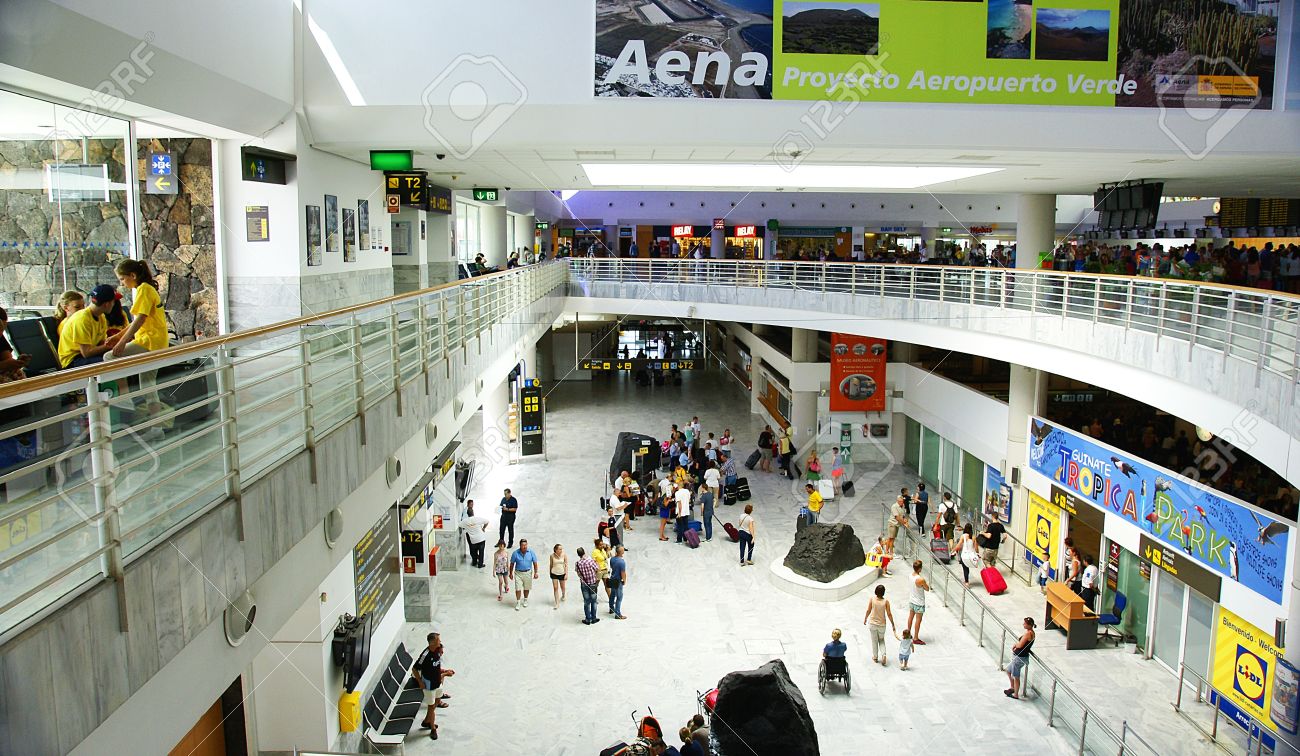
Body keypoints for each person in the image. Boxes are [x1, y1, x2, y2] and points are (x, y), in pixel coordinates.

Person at [57, 284, 121, 368]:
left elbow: (101, 343)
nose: (114, 305)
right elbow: (86, 353)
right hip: (73, 360)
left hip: (87, 355)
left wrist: (117, 342)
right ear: (107, 304)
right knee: (113, 361)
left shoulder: (101, 316)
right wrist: (111, 345)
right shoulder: (82, 319)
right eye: (113, 302)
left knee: (122, 356)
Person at [414, 632, 455, 739]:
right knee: (431, 707)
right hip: (428, 685)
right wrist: (420, 681)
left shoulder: (437, 651)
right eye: (438, 640)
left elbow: (436, 667)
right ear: (432, 642)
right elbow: (414, 668)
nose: (440, 642)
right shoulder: (425, 655)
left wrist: (445, 671)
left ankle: (427, 721)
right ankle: (432, 728)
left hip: (437, 682)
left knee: (436, 702)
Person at [863, 584, 897, 666]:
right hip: (882, 625)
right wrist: (892, 624)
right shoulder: (886, 602)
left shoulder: (872, 599)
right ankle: (884, 655)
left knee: (874, 641)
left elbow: (868, 610)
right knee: (881, 640)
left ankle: (875, 657)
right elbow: (889, 614)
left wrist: (865, 618)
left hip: (873, 624)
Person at [1005, 617, 1037, 699]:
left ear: (1029, 625)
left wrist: (1015, 644)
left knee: (1016, 676)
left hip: (1019, 658)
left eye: (1025, 623)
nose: (1023, 624)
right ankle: (1012, 687)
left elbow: (1020, 645)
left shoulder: (1028, 634)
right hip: (1020, 656)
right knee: (1008, 670)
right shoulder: (1031, 633)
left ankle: (1015, 694)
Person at [0, 309, 32, 383]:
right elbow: (6, 363)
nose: (1, 334)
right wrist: (4, 365)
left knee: (19, 374)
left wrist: (17, 362)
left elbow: (8, 359)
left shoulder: (1, 338)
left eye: (3, 329)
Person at [508, 538, 539, 610]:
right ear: (520, 546)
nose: (524, 546)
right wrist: (510, 573)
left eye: (525, 545)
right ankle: (518, 602)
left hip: (528, 572)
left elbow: (535, 563)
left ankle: (525, 600)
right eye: (523, 545)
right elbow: (512, 564)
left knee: (526, 587)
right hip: (518, 573)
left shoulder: (531, 552)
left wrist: (536, 572)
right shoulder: (515, 553)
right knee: (518, 588)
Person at [906, 559, 930, 645]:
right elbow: (927, 589)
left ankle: (908, 633)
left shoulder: (910, 575)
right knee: (918, 620)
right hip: (919, 602)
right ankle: (915, 637)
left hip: (912, 600)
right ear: (919, 569)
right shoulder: (920, 579)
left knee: (910, 617)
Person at [459, 501, 489, 568]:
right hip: (481, 539)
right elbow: (487, 521)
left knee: (474, 551)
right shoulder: (477, 519)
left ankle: (474, 562)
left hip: (473, 540)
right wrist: (483, 528)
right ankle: (480, 564)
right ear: (473, 513)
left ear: (467, 513)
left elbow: (460, 525)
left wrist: (468, 526)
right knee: (481, 552)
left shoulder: (465, 521)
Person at [575, 547, 600, 625]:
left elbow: (578, 573)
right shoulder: (590, 561)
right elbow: (597, 569)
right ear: (584, 552)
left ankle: (587, 619)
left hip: (584, 584)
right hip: (593, 583)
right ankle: (594, 618)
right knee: (594, 601)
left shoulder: (577, 563)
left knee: (586, 602)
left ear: (578, 554)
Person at [608, 544, 628, 619]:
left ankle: (611, 608)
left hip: (612, 579)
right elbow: (623, 573)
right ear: (621, 552)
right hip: (618, 581)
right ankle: (618, 614)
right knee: (619, 597)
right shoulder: (622, 562)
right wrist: (624, 580)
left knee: (612, 594)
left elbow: (612, 567)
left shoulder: (612, 559)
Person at [549, 544, 568, 610]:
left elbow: (566, 565)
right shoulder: (552, 556)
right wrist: (550, 573)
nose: (561, 550)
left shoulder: (564, 555)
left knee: (563, 587)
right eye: (560, 549)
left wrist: (566, 574)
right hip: (554, 573)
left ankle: (563, 595)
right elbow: (551, 565)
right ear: (556, 550)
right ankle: (557, 603)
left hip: (562, 573)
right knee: (555, 588)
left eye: (561, 549)